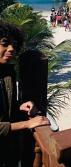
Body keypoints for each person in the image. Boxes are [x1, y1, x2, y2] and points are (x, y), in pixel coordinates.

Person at [0, 23, 50, 165]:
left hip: (7, 152)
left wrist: (19, 106)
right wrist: (27, 124)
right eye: (5, 44)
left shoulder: (7, 73)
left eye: (14, 45)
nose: (11, 49)